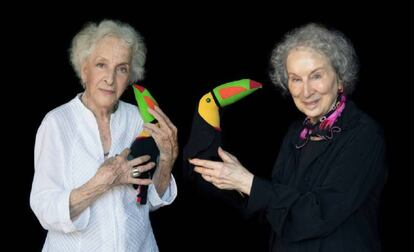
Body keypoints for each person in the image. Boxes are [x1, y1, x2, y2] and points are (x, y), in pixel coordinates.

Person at [190, 23, 387, 251]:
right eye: (295, 79)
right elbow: (277, 211)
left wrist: (248, 182)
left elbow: (318, 214)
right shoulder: (296, 132)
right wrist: (235, 181)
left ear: (340, 79)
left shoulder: (364, 134)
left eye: (316, 76)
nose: (306, 91)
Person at [30, 19, 178, 251]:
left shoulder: (140, 119)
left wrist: (167, 159)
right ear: (84, 69)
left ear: (130, 76)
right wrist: (101, 183)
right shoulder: (57, 123)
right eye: (101, 65)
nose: (110, 79)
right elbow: (45, 209)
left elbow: (150, 199)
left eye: (121, 69)